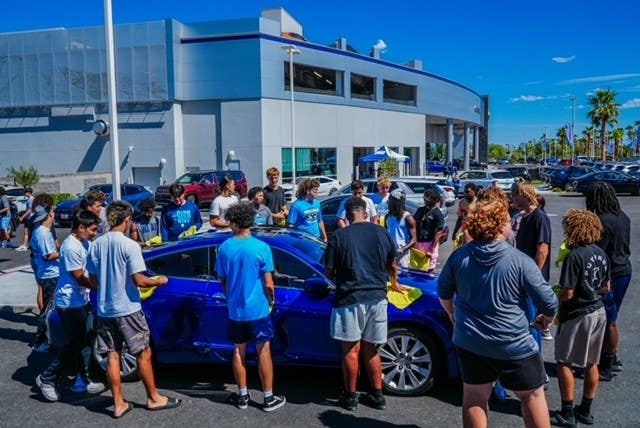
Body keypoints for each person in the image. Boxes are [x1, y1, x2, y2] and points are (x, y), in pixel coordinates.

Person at [438, 192, 557, 428]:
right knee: (532, 396)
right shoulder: (520, 260)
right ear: (500, 225)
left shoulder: (459, 257)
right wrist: (547, 318)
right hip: (513, 343)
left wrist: (453, 315)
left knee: (474, 397)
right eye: (507, 220)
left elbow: (444, 293)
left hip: (471, 341)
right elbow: (549, 302)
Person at [87, 201, 180, 418]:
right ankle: (153, 397)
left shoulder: (96, 244)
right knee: (143, 352)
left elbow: (93, 280)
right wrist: (159, 281)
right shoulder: (130, 246)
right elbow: (139, 280)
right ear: (127, 220)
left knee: (112, 355)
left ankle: (118, 403)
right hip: (128, 307)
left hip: (105, 309)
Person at [324, 197, 402, 411]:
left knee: (351, 350)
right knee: (372, 349)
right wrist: (394, 284)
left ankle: (350, 397)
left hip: (349, 298)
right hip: (377, 297)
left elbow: (329, 271)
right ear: (366, 213)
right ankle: (377, 395)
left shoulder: (339, 236)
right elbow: (393, 265)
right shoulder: (382, 232)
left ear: (347, 216)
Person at [215, 202, 286, 412]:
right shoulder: (262, 248)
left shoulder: (225, 247)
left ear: (235, 222)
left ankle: (243, 396)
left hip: (235, 309)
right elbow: (269, 283)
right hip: (258, 309)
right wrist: (271, 300)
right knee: (264, 351)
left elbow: (224, 280)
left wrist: (231, 298)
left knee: (239, 351)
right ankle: (268, 397)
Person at [36, 210, 106, 402]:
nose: (95, 233)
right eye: (92, 230)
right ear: (81, 228)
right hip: (69, 303)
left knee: (83, 342)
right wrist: (99, 286)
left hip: (81, 300)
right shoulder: (70, 247)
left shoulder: (85, 243)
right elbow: (79, 277)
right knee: (73, 344)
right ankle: (47, 378)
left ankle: (82, 381)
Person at [552, 209, 609, 427]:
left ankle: (567, 412)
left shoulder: (574, 255)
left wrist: (557, 295)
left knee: (563, 360)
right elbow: (606, 286)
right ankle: (585, 410)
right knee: (592, 362)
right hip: (598, 310)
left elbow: (567, 293)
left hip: (578, 313)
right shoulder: (600, 253)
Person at [585, 181, 631, 379]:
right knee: (612, 317)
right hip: (624, 270)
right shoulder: (623, 217)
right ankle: (612, 357)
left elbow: (599, 253)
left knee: (608, 321)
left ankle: (607, 364)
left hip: (608, 275)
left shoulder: (602, 221)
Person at [513, 183, 553, 345]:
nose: (513, 198)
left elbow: (542, 250)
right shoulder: (525, 217)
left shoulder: (539, 217)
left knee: (532, 322)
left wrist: (533, 278)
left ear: (524, 195)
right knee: (526, 321)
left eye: (515, 194)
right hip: (523, 278)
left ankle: (535, 363)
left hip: (532, 280)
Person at [30, 204, 60, 352]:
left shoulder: (44, 231)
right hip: (50, 275)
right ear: (49, 215)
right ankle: (40, 341)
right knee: (48, 310)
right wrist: (65, 252)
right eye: (53, 212)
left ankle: (48, 338)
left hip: (51, 274)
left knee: (51, 308)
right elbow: (48, 256)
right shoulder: (42, 233)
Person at [413, 189, 445, 272]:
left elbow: (438, 233)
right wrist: (414, 242)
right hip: (418, 244)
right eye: (425, 197)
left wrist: (431, 249)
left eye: (428, 198)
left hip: (430, 244)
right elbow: (414, 226)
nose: (425, 199)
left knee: (428, 270)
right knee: (417, 270)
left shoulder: (437, 214)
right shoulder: (420, 210)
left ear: (434, 200)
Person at [386, 189, 416, 268]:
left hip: (403, 256)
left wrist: (401, 250)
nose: (388, 202)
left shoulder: (408, 218)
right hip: (390, 254)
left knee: (402, 277)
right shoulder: (388, 217)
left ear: (397, 203)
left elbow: (414, 240)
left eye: (391, 200)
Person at [16, 186, 34, 251]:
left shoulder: (30, 199)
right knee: (29, 232)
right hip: (30, 218)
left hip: (29, 218)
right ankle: (29, 245)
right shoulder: (32, 199)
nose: (24, 193)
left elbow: (30, 210)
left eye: (25, 192)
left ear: (29, 192)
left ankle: (24, 246)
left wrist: (22, 217)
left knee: (26, 232)